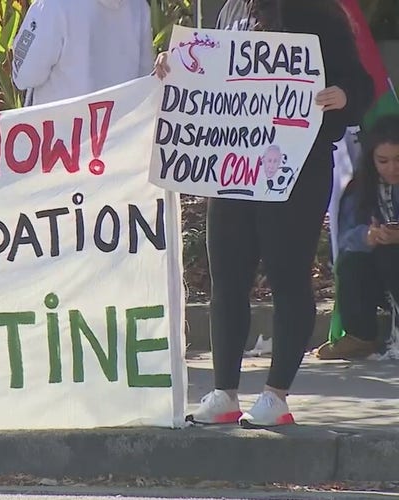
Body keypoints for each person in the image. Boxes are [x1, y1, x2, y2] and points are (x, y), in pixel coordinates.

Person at [154, 0, 374, 428]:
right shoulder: (229, 10)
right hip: (233, 164)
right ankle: (224, 392)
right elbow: (211, 72)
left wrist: (343, 94)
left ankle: (276, 394)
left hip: (297, 166)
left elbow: (361, 86)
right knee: (227, 279)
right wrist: (174, 64)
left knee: (288, 276)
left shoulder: (319, 14)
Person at [316, 115, 399, 360]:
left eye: (398, 160)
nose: (392, 168)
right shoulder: (361, 188)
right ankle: (360, 336)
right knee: (353, 260)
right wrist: (369, 236)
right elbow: (344, 241)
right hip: (379, 278)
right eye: (383, 161)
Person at [10, 0, 152, 106]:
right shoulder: (139, 7)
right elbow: (144, 80)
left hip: (61, 137)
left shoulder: (54, 5)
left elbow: (24, 76)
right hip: (114, 137)